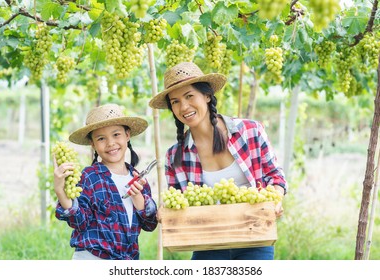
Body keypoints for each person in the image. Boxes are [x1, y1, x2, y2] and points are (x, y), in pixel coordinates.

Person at [149, 62, 287, 260]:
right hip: (208, 242)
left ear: (206, 96)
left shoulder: (250, 132)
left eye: (189, 96)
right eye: (175, 101)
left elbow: (276, 177)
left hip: (254, 237)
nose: (184, 106)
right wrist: (167, 210)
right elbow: (179, 203)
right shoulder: (175, 156)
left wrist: (275, 198)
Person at [53, 103, 158, 260]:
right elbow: (80, 222)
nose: (110, 143)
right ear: (93, 144)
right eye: (101, 138)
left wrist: (139, 199)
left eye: (116, 135)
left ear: (127, 135)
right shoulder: (89, 177)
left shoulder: (138, 179)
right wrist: (61, 192)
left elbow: (150, 224)